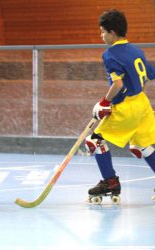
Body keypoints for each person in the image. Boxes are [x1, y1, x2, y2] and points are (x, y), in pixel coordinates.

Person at [85, 9, 155, 203]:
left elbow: (118, 84)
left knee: (94, 141)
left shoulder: (110, 54)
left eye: (103, 32)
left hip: (127, 109)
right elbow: (149, 75)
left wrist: (105, 102)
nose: (102, 36)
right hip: (142, 103)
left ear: (112, 32)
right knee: (142, 145)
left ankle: (110, 182)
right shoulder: (136, 50)